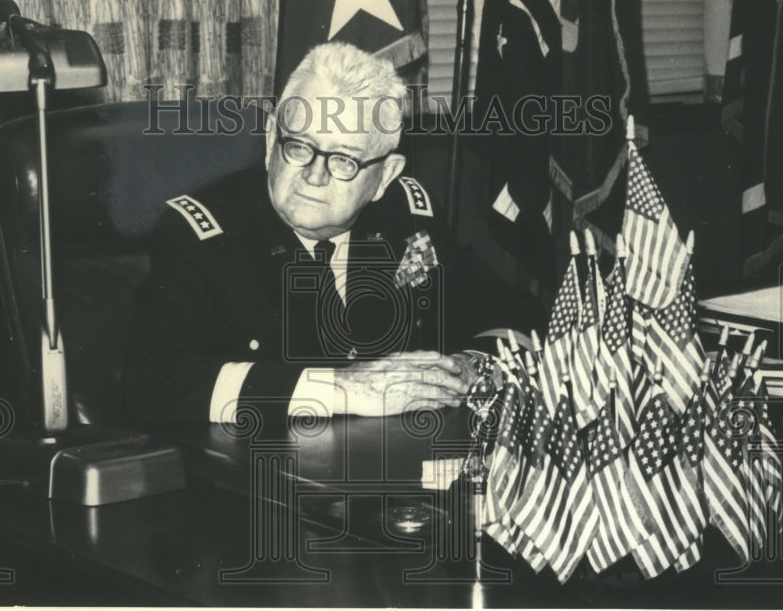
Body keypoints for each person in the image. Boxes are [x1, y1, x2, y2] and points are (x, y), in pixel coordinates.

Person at [123, 42, 543, 426]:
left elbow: (513, 312)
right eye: (299, 147)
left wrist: (469, 368)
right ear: (271, 140)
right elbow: (154, 382)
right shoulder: (202, 235)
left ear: (385, 177)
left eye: (343, 160)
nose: (314, 175)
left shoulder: (403, 216)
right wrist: (341, 388)